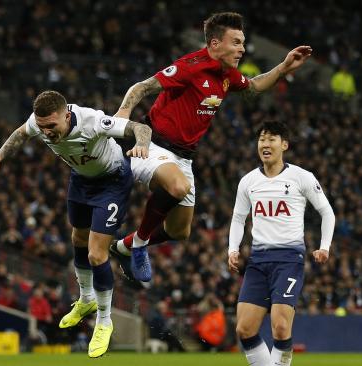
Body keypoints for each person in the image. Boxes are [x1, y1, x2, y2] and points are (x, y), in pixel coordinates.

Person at [110, 12, 313, 282]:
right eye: (237, 42)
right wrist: (124, 111)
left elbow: (252, 88)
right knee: (178, 187)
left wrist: (283, 68)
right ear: (215, 44)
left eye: (243, 43)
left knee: (179, 230)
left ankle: (123, 246)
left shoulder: (227, 73)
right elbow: (143, 86)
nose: (242, 49)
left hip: (184, 156)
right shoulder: (191, 66)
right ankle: (139, 245)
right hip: (154, 144)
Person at [0, 90, 152, 357]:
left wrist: (141, 145)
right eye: (42, 126)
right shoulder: (39, 122)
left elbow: (141, 127)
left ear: (67, 116)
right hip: (81, 181)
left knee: (95, 253)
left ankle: (104, 321)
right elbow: (21, 133)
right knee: (77, 240)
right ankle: (86, 299)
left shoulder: (93, 121)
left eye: (52, 126)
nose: (46, 132)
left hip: (112, 182)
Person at [228, 121, 334, 366]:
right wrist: (233, 249)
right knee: (244, 330)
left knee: (280, 326)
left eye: (272, 139)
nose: (265, 144)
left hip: (289, 259)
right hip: (257, 260)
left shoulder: (301, 177)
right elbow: (237, 218)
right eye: (262, 139)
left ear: (284, 145)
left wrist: (324, 247)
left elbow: (327, 212)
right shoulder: (248, 181)